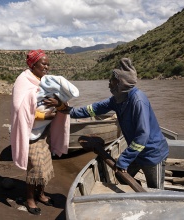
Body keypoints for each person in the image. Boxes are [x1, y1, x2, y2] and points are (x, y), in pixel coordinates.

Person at [61, 58, 169, 189]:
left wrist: (124, 160)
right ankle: (138, 190)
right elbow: (93, 109)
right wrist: (69, 111)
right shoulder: (118, 99)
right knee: (120, 175)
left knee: (155, 191)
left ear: (121, 83)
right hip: (136, 152)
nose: (109, 84)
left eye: (112, 80)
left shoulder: (138, 101)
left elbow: (143, 136)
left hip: (152, 154)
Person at [9, 49, 73, 215]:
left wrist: (57, 102)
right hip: (30, 133)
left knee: (44, 164)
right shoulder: (23, 80)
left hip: (46, 130)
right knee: (35, 167)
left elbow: (63, 103)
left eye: (48, 64)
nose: (47, 67)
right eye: (44, 63)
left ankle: (41, 193)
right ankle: (30, 198)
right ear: (33, 64)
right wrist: (43, 114)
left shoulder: (46, 80)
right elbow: (19, 107)